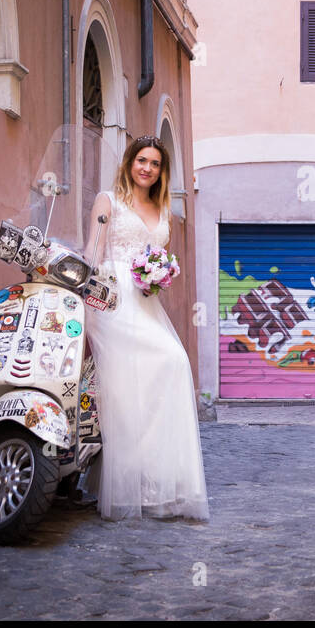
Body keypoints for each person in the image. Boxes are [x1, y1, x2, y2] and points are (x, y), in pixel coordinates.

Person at [82, 134, 209, 523]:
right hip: (113, 300)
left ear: (161, 170)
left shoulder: (163, 208)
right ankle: (127, 485)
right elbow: (93, 252)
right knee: (127, 387)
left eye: (155, 164)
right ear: (129, 162)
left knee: (172, 366)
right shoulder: (108, 200)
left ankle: (159, 482)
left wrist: (161, 274)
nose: (147, 169)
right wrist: (84, 301)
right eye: (142, 161)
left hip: (146, 303)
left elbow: (157, 258)